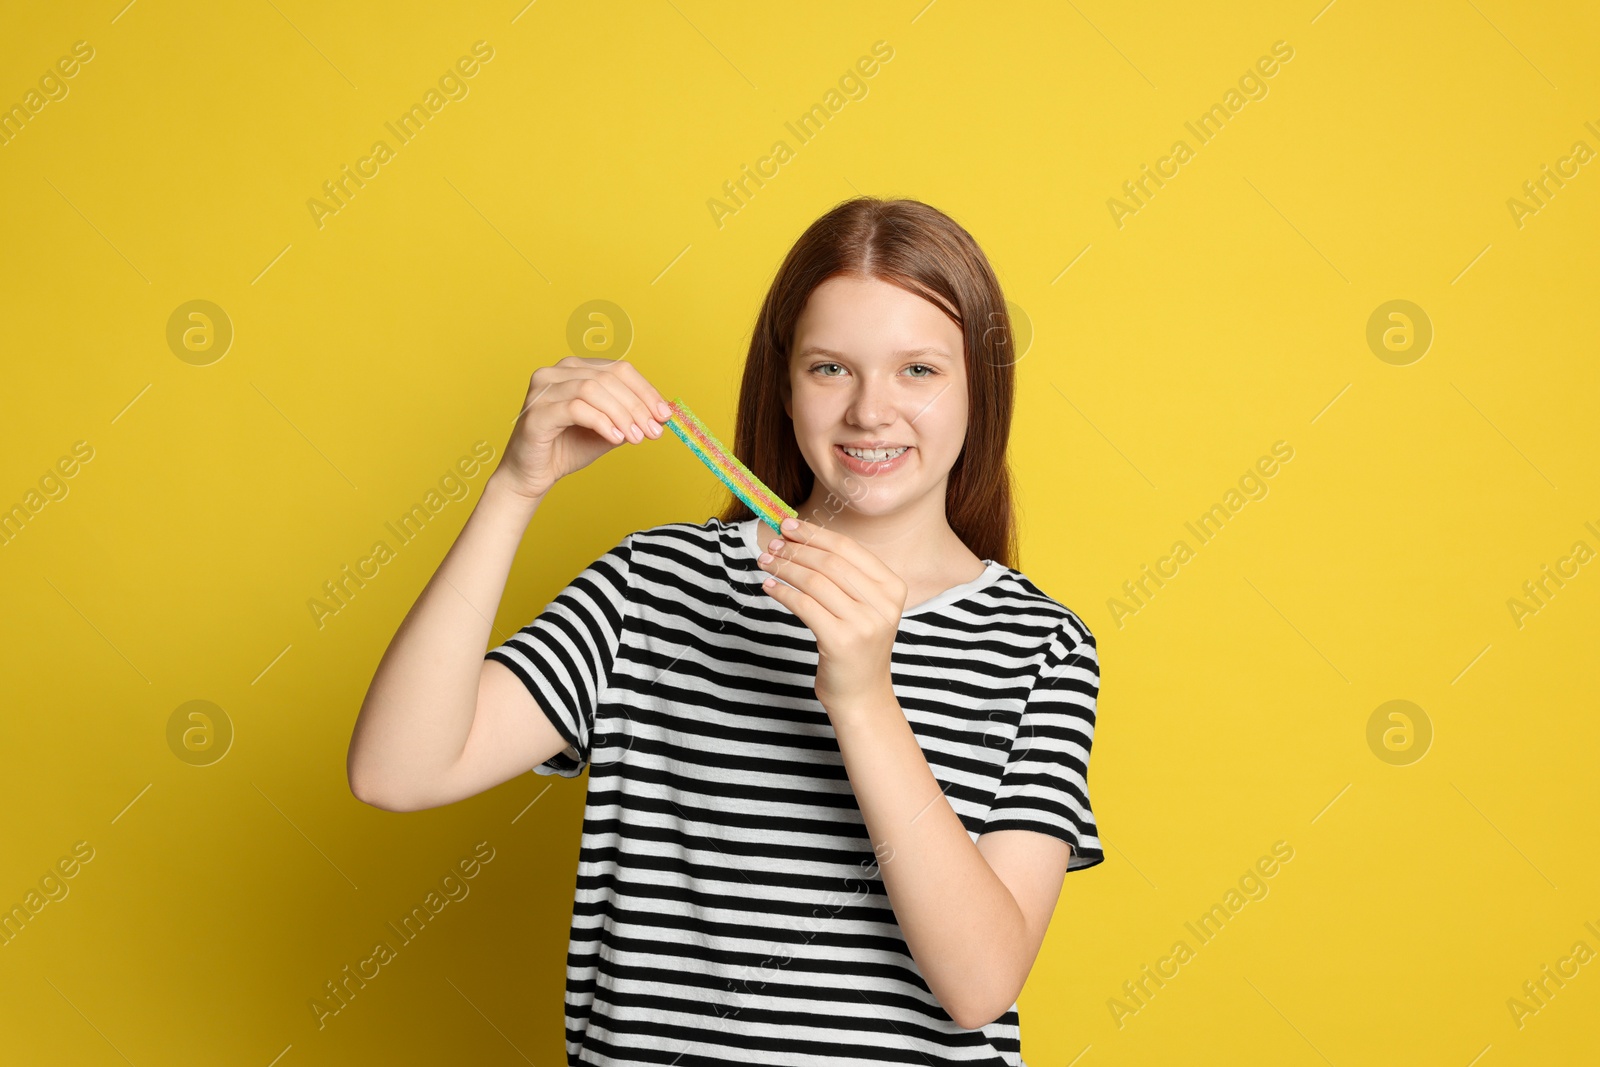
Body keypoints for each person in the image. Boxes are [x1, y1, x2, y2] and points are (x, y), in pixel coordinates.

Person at [347, 196, 1103, 1066]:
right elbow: (394, 771)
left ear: (981, 386)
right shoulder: (655, 585)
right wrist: (515, 489)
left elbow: (978, 984)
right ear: (784, 384)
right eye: (831, 368)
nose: (870, 411)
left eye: (918, 371)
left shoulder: (1041, 643)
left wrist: (862, 695)